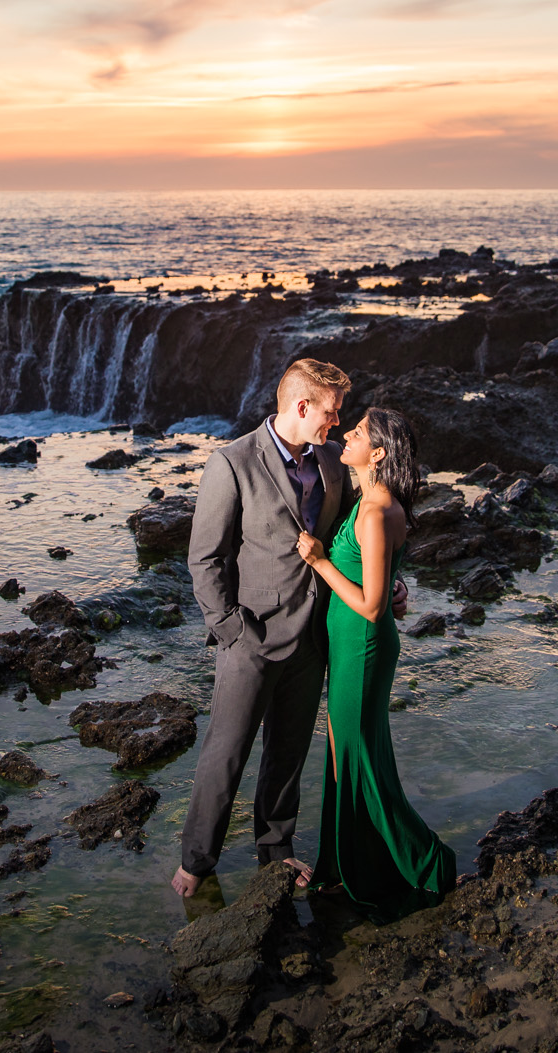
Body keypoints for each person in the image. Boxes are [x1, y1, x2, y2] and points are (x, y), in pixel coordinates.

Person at [174, 358, 355, 899]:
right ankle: (196, 861)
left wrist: (386, 580)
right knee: (226, 753)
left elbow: (346, 534)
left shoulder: (332, 462)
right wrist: (229, 629)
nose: (337, 424)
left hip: (313, 636)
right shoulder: (230, 464)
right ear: (302, 407)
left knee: (289, 752)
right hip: (250, 638)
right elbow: (205, 557)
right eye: (330, 412)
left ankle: (275, 851)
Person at [294, 406, 457, 919]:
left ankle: (429, 863)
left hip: (362, 646)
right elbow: (382, 581)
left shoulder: (376, 509)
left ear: (378, 454)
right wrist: (394, 586)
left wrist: (319, 562)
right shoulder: (370, 501)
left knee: (360, 762)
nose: (346, 433)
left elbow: (370, 604)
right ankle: (348, 867)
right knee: (346, 757)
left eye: (358, 432)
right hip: (350, 643)